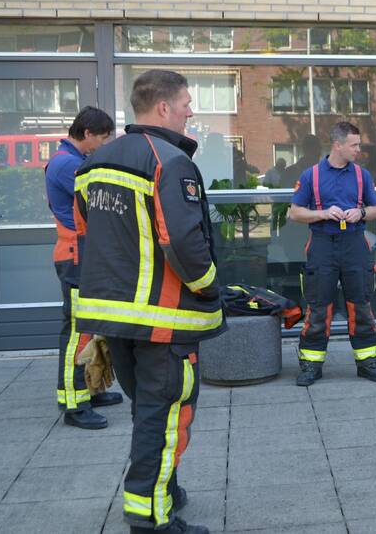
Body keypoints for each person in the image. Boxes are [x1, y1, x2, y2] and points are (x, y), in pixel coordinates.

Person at [74, 70, 225, 534]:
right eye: (185, 103)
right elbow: (182, 240)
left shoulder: (94, 163)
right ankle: (150, 517)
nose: (190, 110)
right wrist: (210, 287)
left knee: (148, 411)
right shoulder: (169, 162)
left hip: (115, 317)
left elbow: (88, 233)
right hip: (164, 320)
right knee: (165, 415)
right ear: (163, 108)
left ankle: (166, 487)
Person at [289, 121, 376, 386]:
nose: (358, 149)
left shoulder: (362, 175)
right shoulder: (312, 175)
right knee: (319, 306)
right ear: (338, 145)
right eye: (354, 144)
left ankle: (368, 363)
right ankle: (311, 365)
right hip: (322, 243)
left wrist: (362, 212)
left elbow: (375, 209)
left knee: (362, 304)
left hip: (355, 243)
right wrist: (322, 213)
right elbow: (294, 212)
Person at [44, 106, 121, 430]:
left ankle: (89, 388)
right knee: (78, 331)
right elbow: (99, 201)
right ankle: (74, 402)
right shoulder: (69, 165)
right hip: (75, 255)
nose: (103, 146)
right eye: (103, 139)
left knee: (88, 327)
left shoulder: (72, 161)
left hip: (81, 253)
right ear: (87, 134)